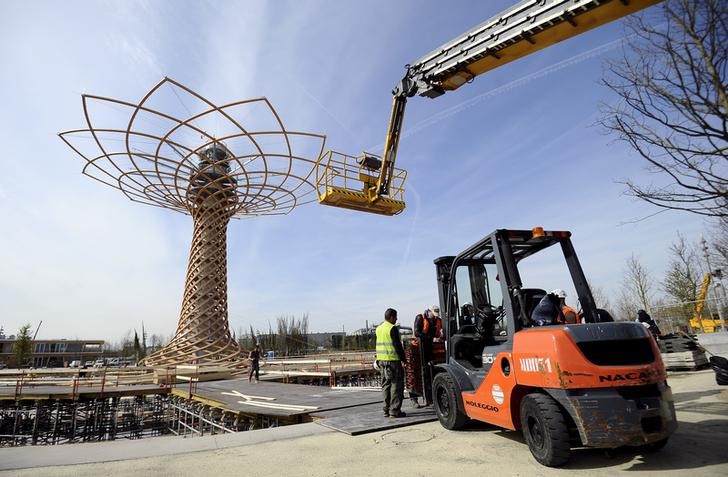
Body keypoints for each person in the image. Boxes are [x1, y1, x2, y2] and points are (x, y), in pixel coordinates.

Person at [376, 308, 407, 418]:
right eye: (395, 317)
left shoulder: (378, 328)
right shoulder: (392, 328)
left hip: (381, 361)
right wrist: (404, 360)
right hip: (393, 361)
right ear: (391, 317)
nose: (397, 319)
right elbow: (397, 346)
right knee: (396, 385)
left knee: (385, 385)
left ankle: (386, 409)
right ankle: (394, 410)